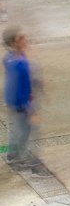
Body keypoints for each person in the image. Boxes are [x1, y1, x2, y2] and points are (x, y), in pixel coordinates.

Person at [3, 26, 35, 167]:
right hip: (19, 103)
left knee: (16, 129)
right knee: (25, 130)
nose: (25, 40)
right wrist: (25, 105)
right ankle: (17, 157)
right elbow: (17, 87)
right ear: (13, 43)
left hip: (14, 101)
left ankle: (12, 154)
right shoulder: (19, 63)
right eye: (21, 38)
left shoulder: (10, 57)